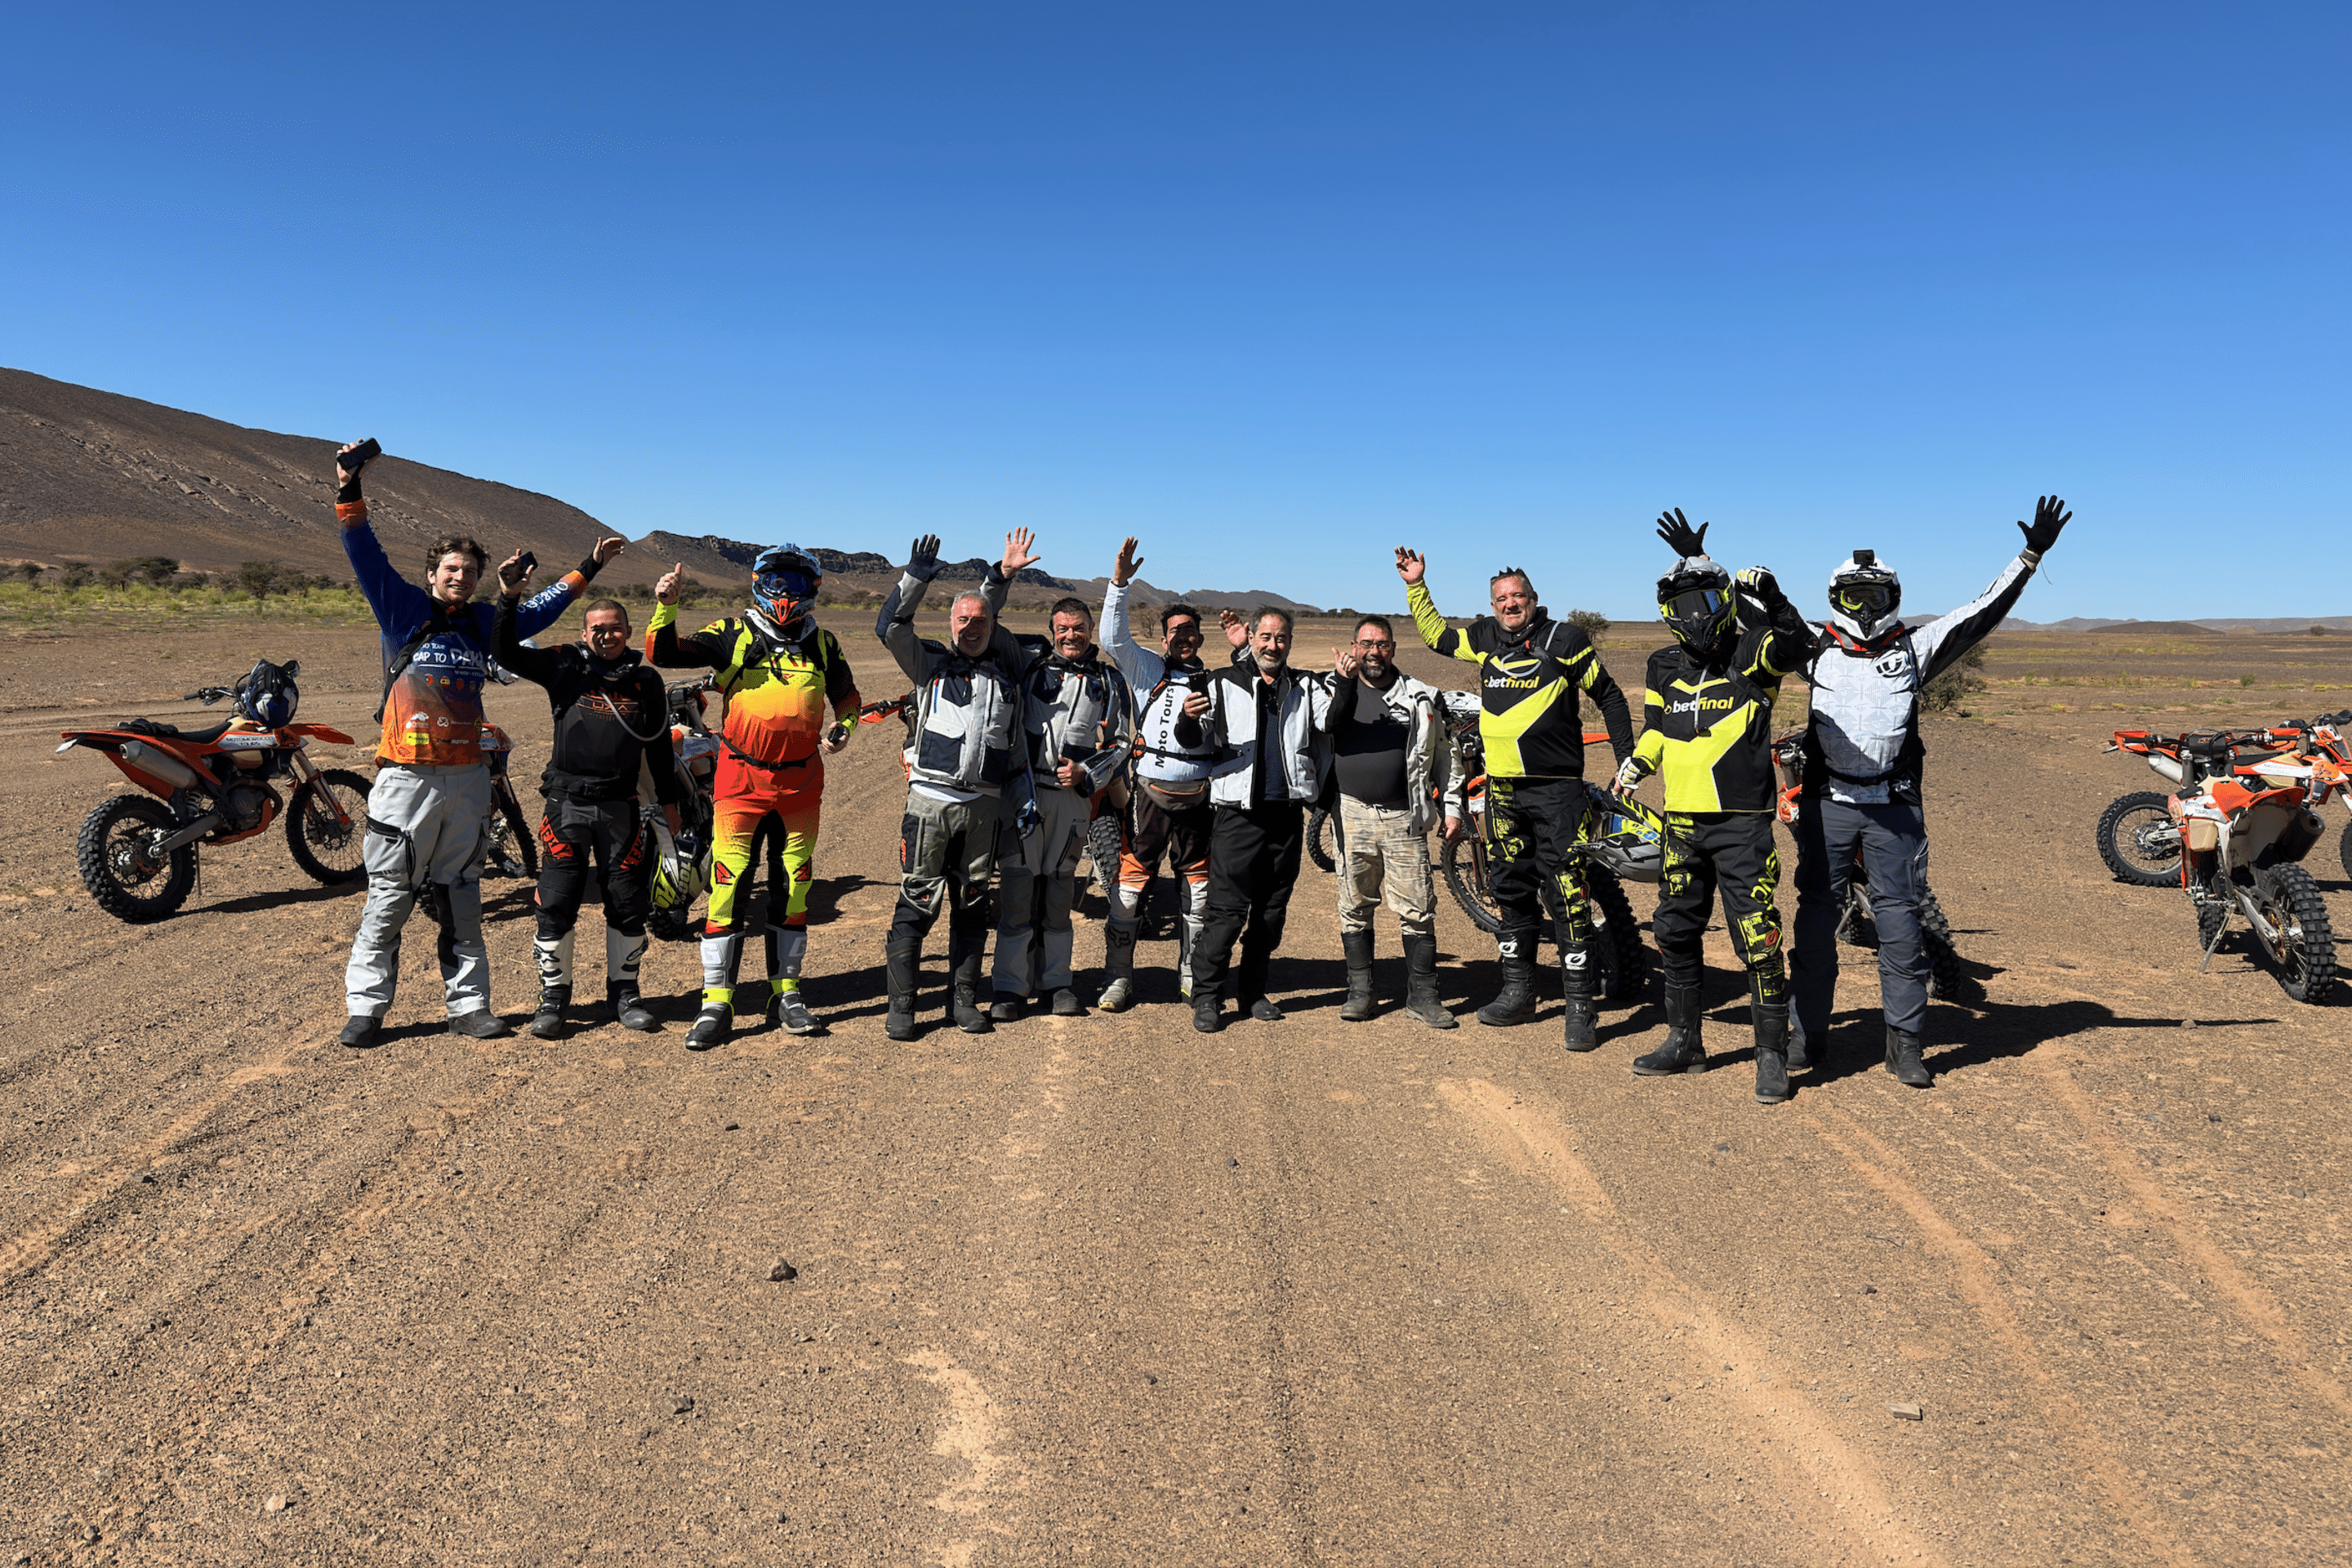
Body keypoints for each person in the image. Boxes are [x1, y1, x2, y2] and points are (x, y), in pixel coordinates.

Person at [332, 439, 612, 1048]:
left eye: (470, 572)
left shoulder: (485, 622)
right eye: (451, 570)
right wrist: (350, 487)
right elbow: (363, 551)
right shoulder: (402, 609)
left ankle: (470, 1006)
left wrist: (588, 567)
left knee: (461, 893)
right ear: (433, 575)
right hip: (406, 776)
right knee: (389, 896)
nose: (460, 578)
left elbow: (538, 612)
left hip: (465, 776)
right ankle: (367, 1008)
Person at [1788, 497, 2071, 1088]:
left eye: (1876, 597)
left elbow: (1982, 612)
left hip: (1893, 809)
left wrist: (2030, 556)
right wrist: (1701, 563)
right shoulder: (1812, 644)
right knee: (1815, 925)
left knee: (1901, 928)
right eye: (1854, 598)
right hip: (1828, 804)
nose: (1865, 608)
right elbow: (1748, 611)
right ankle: (1806, 1034)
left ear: (1893, 597)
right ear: (1835, 599)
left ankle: (1906, 1043)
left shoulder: (1917, 647)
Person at [1610, 510, 1813, 1103]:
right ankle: (1685, 1041)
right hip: (1680, 823)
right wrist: (1637, 764)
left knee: (1757, 935)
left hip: (1741, 824)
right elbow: (1658, 730)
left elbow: (1801, 645)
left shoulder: (1752, 650)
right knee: (1674, 931)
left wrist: (1774, 599)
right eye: (1681, 605)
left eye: (1702, 600)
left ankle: (1771, 1055)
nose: (1693, 614)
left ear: (1723, 600)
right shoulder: (1662, 665)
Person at [1398, 548, 1633, 1049]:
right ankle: (1519, 992)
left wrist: (1627, 762)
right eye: (1501, 598)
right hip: (1503, 790)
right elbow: (1438, 637)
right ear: (1493, 605)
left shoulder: (1564, 639)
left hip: (1556, 790)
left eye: (1518, 596)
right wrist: (1417, 585)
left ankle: (1580, 1008)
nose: (1510, 604)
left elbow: (1610, 696)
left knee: (1568, 889)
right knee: (1509, 888)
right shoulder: (1485, 636)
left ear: (1534, 599)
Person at [646, 545, 860, 1047]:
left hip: (800, 787)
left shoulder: (823, 642)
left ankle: (786, 995)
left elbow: (847, 697)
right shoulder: (733, 632)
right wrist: (666, 605)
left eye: (795, 582)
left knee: (795, 886)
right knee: (728, 886)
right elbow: (663, 654)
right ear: (760, 583)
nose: (785, 592)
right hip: (741, 782)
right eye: (777, 581)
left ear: (813, 588)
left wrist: (844, 727)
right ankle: (716, 1003)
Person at [493, 582, 684, 1039]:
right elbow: (504, 651)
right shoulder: (564, 665)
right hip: (567, 805)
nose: (606, 635)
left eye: (615, 628)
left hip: (623, 806)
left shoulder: (646, 681)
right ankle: (553, 999)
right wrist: (508, 598)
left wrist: (669, 804)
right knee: (556, 901)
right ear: (584, 632)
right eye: (597, 628)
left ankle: (625, 994)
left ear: (628, 631)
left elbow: (659, 749)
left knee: (627, 902)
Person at [876, 531, 1042, 1040]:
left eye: (980, 621)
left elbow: (1016, 751)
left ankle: (964, 1001)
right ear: (950, 624)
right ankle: (902, 1006)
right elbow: (890, 626)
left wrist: (1002, 577)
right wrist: (915, 578)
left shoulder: (1006, 678)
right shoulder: (929, 664)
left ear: (993, 625)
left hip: (983, 811)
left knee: (972, 906)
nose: (971, 628)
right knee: (916, 903)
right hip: (930, 804)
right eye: (962, 620)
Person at [1191, 608, 1334, 1033]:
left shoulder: (1305, 685)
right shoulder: (1221, 682)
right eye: (1266, 637)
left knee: (1271, 913)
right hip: (1237, 814)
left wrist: (1344, 681)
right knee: (1226, 912)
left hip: (1285, 815)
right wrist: (1186, 718)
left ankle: (1252, 992)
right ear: (1251, 638)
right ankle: (1207, 996)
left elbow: (1333, 721)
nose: (1273, 646)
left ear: (1290, 642)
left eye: (1281, 638)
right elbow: (1192, 737)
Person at [993, 596, 1134, 1020]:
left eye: (1079, 628)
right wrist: (1002, 577)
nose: (1071, 636)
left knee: (1058, 895)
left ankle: (1056, 983)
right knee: (1017, 893)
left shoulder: (1109, 680)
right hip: (1024, 793)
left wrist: (1087, 773)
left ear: (1090, 630)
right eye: (1063, 629)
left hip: (1072, 799)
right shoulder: (1029, 666)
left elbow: (1122, 742)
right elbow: (989, 629)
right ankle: (1010, 987)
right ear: (1052, 631)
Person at [1098, 538, 1224, 1010]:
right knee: (1130, 889)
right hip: (1149, 795)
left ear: (1201, 637)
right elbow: (1113, 640)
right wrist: (1119, 584)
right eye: (1175, 631)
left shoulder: (1218, 682)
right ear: (1164, 638)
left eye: (1190, 630)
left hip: (1199, 798)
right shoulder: (1146, 668)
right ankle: (1118, 977)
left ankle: (1192, 975)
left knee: (1199, 891)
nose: (1182, 637)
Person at [1330, 616, 1463, 1028]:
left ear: (1393, 648)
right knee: (1354, 905)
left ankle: (1423, 995)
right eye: (1366, 644)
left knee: (1418, 908)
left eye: (1382, 644)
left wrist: (1453, 807)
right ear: (1354, 648)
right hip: (1351, 814)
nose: (1374, 652)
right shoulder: (1333, 691)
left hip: (1405, 816)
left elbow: (1447, 755)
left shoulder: (1420, 697)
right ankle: (1360, 992)